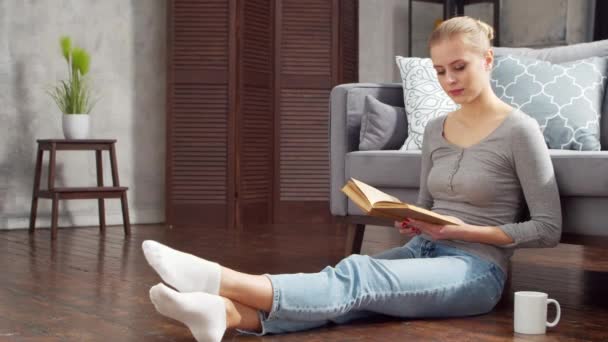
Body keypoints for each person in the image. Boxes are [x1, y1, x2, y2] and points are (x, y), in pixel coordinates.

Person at [142, 16, 562, 342]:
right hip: (423, 249)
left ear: (487, 61)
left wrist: (466, 231)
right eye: (439, 71)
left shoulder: (520, 130)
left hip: (475, 269)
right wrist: (411, 220)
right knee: (354, 280)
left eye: (459, 67)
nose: (449, 80)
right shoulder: (436, 129)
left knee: (362, 281)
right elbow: (426, 207)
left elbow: (547, 228)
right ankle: (226, 314)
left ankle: (219, 278)